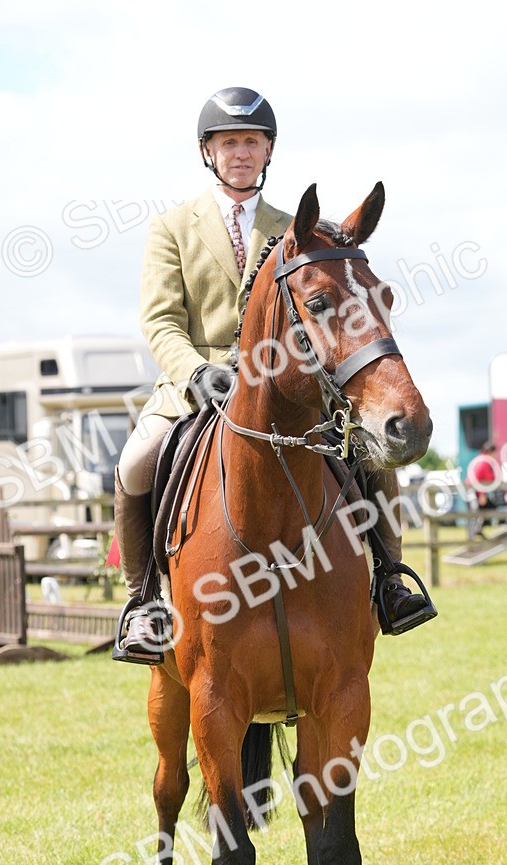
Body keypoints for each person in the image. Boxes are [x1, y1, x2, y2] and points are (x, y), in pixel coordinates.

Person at [114, 86, 432, 662]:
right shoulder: (172, 227)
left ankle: (388, 578)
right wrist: (194, 373)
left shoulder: (301, 229)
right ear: (208, 152)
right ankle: (143, 602)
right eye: (229, 142)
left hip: (285, 386)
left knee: (366, 455)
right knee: (134, 462)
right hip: (196, 383)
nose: (241, 152)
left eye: (252, 142)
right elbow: (160, 320)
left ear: (268, 151)